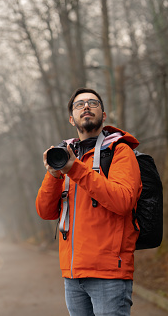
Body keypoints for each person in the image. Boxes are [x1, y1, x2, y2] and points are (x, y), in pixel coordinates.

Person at [35, 88, 142, 316]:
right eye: (79, 104)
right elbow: (45, 211)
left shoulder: (119, 151)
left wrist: (75, 169)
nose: (86, 106)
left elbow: (123, 201)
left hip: (109, 273)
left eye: (93, 103)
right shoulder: (66, 156)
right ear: (71, 119)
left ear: (103, 115)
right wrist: (54, 174)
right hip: (73, 275)